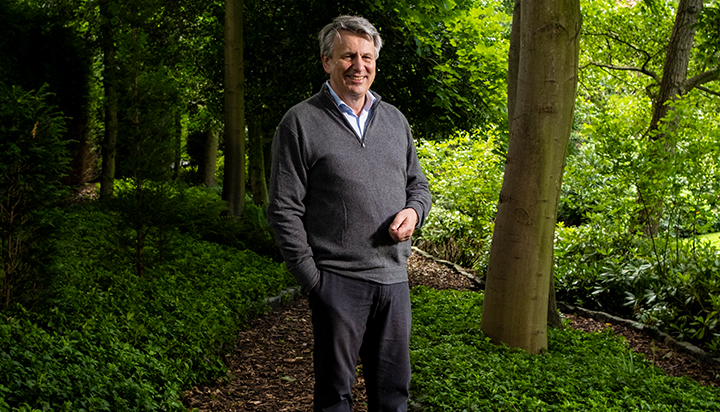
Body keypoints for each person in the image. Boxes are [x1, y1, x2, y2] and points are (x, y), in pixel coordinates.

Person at [267, 15, 432, 412]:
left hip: (394, 281)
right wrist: (313, 281)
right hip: (337, 283)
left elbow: (418, 186)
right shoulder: (300, 122)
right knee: (335, 396)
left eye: (367, 56)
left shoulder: (395, 120)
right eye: (347, 56)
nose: (359, 65)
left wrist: (414, 212)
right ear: (326, 61)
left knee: (393, 395)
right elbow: (283, 208)